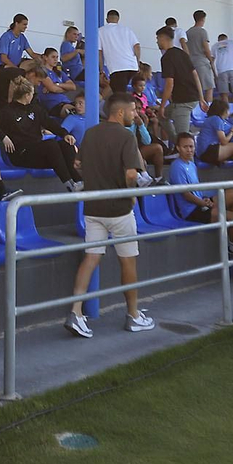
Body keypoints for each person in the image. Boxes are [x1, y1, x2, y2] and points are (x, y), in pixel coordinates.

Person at [66, 92, 154, 337]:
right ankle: (134, 315)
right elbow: (131, 174)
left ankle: (75, 311)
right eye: (133, 110)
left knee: (91, 258)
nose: (135, 114)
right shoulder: (126, 136)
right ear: (120, 112)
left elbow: (78, 164)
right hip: (119, 209)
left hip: (93, 208)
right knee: (127, 260)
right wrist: (132, 190)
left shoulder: (91, 133)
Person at [166, 132, 233, 253]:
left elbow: (196, 190)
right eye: (185, 147)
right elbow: (186, 195)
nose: (189, 150)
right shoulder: (177, 166)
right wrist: (204, 204)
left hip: (201, 203)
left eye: (191, 146)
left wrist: (205, 200)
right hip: (192, 211)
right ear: (178, 148)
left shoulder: (191, 164)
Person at [0, 79, 83, 189]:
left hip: (38, 151)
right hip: (21, 153)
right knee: (51, 145)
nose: (33, 96)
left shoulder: (35, 109)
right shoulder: (6, 112)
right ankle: (69, 185)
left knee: (66, 144)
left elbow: (50, 124)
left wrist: (65, 134)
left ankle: (79, 182)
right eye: (32, 94)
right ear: (27, 95)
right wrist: (3, 137)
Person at [156, 26, 201, 143]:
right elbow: (195, 75)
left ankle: (183, 152)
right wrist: (201, 97)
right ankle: (176, 145)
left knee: (184, 138)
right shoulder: (183, 54)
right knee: (162, 116)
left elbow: (169, 83)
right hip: (191, 97)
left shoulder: (166, 58)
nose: (157, 41)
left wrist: (162, 105)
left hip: (183, 101)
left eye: (158, 38)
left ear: (163, 38)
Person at [194, 97, 233, 176]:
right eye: (227, 110)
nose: (228, 112)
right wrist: (232, 133)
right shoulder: (216, 119)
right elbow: (224, 141)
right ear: (222, 111)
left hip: (207, 151)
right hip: (208, 151)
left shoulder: (217, 120)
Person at [97, 9, 141, 93]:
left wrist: (101, 69)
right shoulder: (127, 30)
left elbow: (99, 52)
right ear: (118, 19)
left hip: (117, 67)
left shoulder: (100, 31)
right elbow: (137, 46)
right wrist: (137, 63)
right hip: (132, 66)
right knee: (119, 91)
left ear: (107, 19)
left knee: (119, 94)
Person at [34, 47, 77, 118]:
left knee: (85, 110)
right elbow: (53, 89)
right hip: (52, 104)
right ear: (45, 57)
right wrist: (66, 88)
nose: (56, 59)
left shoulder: (59, 72)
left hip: (65, 101)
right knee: (73, 113)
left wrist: (57, 84)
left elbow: (73, 87)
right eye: (53, 57)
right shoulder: (42, 71)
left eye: (57, 57)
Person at [185, 10, 215, 103]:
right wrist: (211, 60)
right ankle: (208, 108)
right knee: (209, 87)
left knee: (196, 88)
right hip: (201, 61)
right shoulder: (202, 32)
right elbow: (206, 48)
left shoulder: (188, 32)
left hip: (191, 62)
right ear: (203, 19)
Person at [213, 33, 233, 101]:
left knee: (224, 94)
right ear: (226, 38)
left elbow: (211, 61)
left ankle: (226, 110)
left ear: (218, 40)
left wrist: (214, 74)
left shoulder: (214, 46)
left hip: (221, 70)